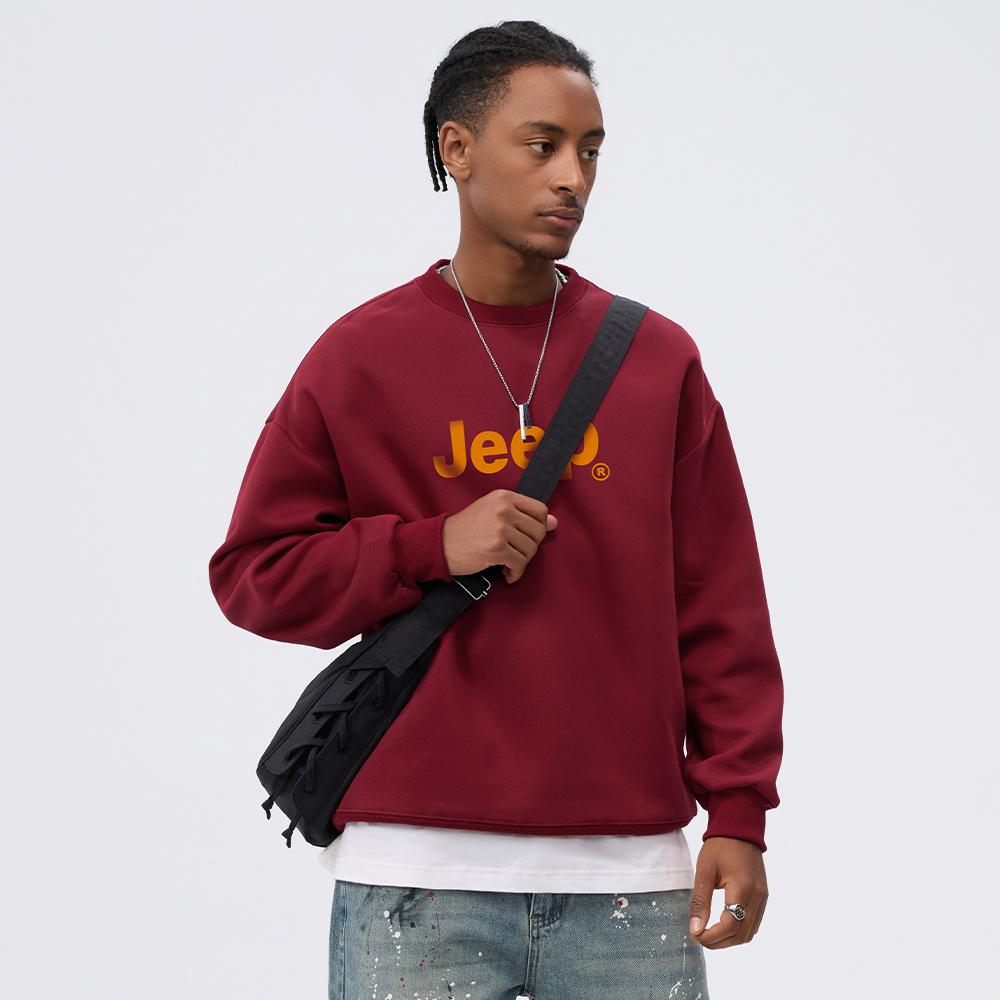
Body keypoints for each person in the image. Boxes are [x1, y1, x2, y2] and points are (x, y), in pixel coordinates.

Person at [208, 20, 784, 1000]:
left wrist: (737, 810)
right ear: (458, 149)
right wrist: (429, 545)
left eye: (590, 151)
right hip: (414, 880)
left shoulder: (658, 361)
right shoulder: (361, 356)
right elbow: (255, 576)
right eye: (542, 144)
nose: (572, 177)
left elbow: (720, 601)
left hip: (630, 881)